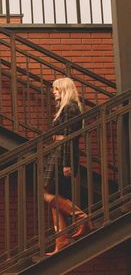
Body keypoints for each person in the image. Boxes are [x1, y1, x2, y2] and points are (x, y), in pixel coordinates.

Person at [44, 77, 92, 256]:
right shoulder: (65, 108)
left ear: (64, 89)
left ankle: (80, 217)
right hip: (57, 152)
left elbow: (68, 138)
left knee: (47, 194)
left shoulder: (70, 108)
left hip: (61, 155)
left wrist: (66, 163)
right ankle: (61, 240)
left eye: (56, 89)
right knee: (55, 199)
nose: (53, 92)